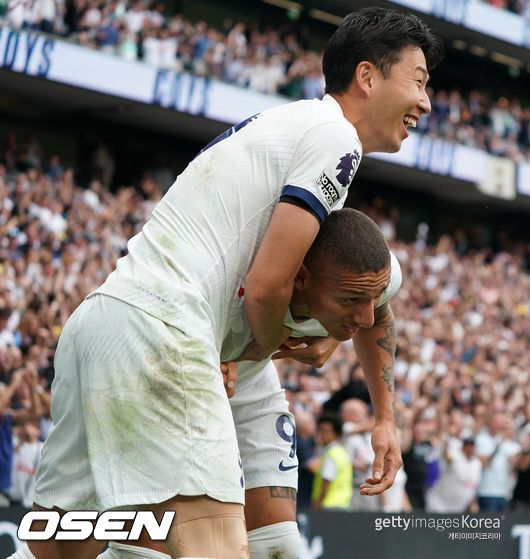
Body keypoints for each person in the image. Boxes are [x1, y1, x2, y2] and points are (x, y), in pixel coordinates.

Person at [12, 6, 443, 559]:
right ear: (367, 77)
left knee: (58, 547)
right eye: (419, 80)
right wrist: (250, 352)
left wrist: (375, 405)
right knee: (212, 549)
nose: (427, 102)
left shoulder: (294, 132)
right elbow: (266, 289)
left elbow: (370, 300)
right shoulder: (335, 136)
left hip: (105, 323)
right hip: (163, 331)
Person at [97, 208, 402, 559]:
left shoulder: (366, 272)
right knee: (147, 551)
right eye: (351, 301)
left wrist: (385, 420)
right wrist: (208, 366)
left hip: (248, 377)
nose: (364, 316)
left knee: (279, 547)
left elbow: (379, 313)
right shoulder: (221, 278)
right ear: (301, 278)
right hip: (172, 373)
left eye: (370, 298)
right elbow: (163, 340)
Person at [311, 413, 353, 510]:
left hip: (328, 506)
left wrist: (317, 505)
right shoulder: (342, 452)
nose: (320, 435)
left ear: (336, 434)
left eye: (325, 432)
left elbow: (326, 482)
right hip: (343, 505)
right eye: (319, 431)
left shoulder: (331, 454)